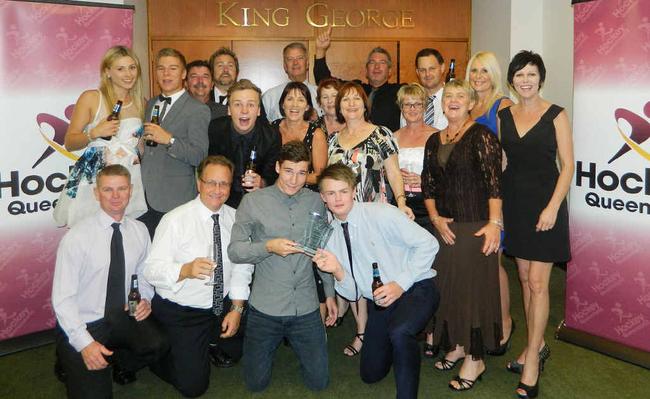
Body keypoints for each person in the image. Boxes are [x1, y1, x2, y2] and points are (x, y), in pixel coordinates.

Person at [313, 163, 439, 399]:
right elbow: (352, 294)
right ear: (323, 197)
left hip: (416, 287)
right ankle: (401, 339)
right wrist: (338, 271)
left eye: (343, 191)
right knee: (370, 373)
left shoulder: (382, 212)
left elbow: (429, 244)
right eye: (331, 193)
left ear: (353, 191)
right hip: (380, 302)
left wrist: (400, 284)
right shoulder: (330, 236)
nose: (338, 198)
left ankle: (404, 345)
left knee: (401, 332)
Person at [228, 141, 337, 393]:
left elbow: (320, 250)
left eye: (301, 172)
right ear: (277, 167)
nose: (294, 179)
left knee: (319, 383)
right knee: (256, 383)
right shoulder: (253, 202)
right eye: (288, 170)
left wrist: (329, 293)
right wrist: (268, 246)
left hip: (306, 306)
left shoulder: (315, 202)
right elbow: (235, 250)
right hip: (266, 307)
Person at [52, 164, 168, 398]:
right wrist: (85, 343)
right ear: (96, 193)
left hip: (120, 315)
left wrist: (145, 298)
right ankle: (68, 357)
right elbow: (62, 300)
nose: (115, 196)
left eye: (121, 189)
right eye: (107, 190)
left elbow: (144, 274)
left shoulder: (140, 230)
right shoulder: (76, 238)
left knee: (158, 344)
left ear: (131, 190)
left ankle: (118, 361)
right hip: (85, 322)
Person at [143, 155, 254, 397]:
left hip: (219, 304)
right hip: (182, 310)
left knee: (256, 324)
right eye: (211, 182)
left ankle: (211, 342)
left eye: (223, 184)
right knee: (193, 387)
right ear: (199, 183)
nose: (217, 190)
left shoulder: (236, 218)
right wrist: (184, 270)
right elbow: (151, 270)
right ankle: (153, 355)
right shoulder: (174, 220)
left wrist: (236, 309)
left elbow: (242, 267)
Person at [499, 50, 573, 399]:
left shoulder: (556, 114)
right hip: (516, 204)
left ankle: (532, 363)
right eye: (519, 74)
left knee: (540, 284)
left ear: (540, 78)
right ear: (511, 80)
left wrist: (553, 207)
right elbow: (502, 162)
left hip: (546, 206)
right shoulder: (504, 114)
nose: (525, 80)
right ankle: (535, 345)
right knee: (525, 280)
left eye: (531, 74)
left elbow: (568, 164)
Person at [421, 79, 503, 392]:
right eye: (449, 96)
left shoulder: (482, 135)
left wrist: (495, 223)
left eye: (460, 96)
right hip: (444, 227)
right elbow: (428, 185)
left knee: (472, 293)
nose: (453, 100)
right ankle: (456, 343)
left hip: (476, 226)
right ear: (442, 104)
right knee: (448, 288)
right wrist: (435, 219)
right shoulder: (434, 140)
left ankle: (476, 357)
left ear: (470, 104)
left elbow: (495, 184)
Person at [327, 81, 413, 357]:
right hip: (343, 216)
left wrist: (401, 203)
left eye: (356, 99)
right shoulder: (333, 140)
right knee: (353, 269)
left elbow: (394, 173)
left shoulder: (381, 134)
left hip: (373, 214)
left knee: (377, 269)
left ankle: (388, 327)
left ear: (365, 104)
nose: (351, 104)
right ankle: (361, 331)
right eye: (345, 100)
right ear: (338, 107)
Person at [54, 45, 147, 228]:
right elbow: (70, 143)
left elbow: (141, 148)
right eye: (120, 69)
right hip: (96, 178)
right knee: (91, 233)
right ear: (108, 72)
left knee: (122, 232)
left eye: (132, 67)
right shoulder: (92, 98)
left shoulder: (142, 103)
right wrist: (94, 133)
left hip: (129, 176)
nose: (128, 74)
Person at [466, 51, 516, 357]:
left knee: (494, 260)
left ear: (494, 74)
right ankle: (487, 318)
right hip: (472, 195)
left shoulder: (502, 105)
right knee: (479, 261)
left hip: (494, 194)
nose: (479, 76)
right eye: (474, 70)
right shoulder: (471, 105)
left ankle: (506, 322)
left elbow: (507, 155)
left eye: (485, 70)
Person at [139, 48, 210, 238]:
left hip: (175, 198)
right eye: (161, 68)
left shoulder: (198, 110)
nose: (166, 74)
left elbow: (199, 155)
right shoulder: (150, 103)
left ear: (184, 73)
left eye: (172, 68)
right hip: (143, 196)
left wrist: (169, 140)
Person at [394, 83, 438, 357]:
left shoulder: (437, 136)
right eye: (407, 104)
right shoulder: (393, 137)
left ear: (425, 107)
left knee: (432, 266)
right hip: (401, 207)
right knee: (404, 264)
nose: (412, 109)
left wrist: (424, 180)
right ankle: (407, 322)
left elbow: (445, 175)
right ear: (401, 108)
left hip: (429, 206)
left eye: (417, 104)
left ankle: (433, 329)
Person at [208, 79, 281, 208]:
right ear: (229, 110)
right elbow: (210, 167)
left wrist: (262, 182)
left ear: (258, 111)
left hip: (259, 201)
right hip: (221, 200)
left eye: (251, 105)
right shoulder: (215, 129)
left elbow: (272, 174)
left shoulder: (271, 135)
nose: (244, 111)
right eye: (237, 104)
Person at [315, 27, 402, 132]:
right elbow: (325, 81)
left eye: (382, 62)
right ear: (366, 70)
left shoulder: (399, 91)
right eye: (372, 62)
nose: (377, 66)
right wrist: (320, 50)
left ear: (389, 71)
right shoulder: (355, 89)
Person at [271, 81, 328, 190]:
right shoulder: (273, 128)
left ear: (307, 106)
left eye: (301, 100)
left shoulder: (316, 133)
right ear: (283, 104)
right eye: (290, 99)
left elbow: (319, 175)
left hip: (306, 193)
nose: (294, 105)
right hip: (275, 190)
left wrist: (291, 179)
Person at [262, 42, 321, 123]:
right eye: (290, 59)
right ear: (285, 66)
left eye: (300, 58)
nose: (295, 63)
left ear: (307, 63)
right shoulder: (270, 96)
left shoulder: (320, 94)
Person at [400, 48, 448, 130]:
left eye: (432, 69)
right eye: (422, 70)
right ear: (417, 72)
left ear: (442, 68)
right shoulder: (409, 102)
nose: (427, 74)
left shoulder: (454, 100)